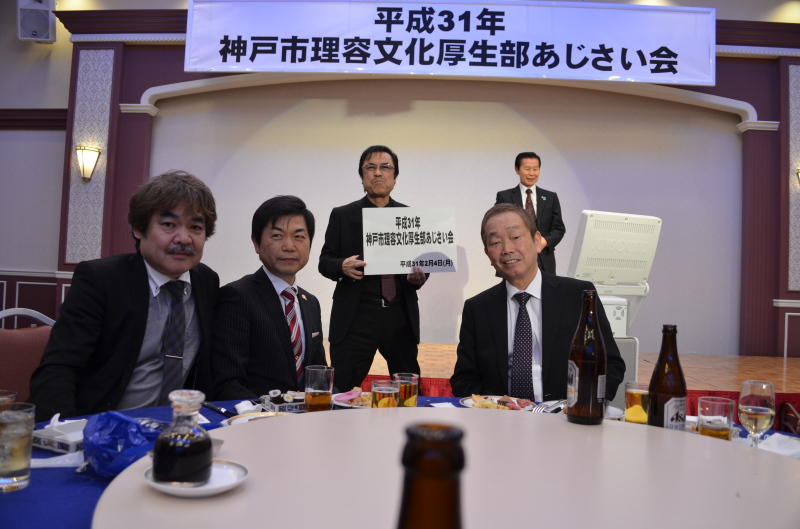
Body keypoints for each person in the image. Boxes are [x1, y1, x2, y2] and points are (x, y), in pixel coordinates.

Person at [29, 170, 219, 422]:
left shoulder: (206, 281)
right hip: (106, 426)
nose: (184, 238)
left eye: (195, 227)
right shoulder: (101, 280)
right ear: (139, 229)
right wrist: (68, 435)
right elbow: (58, 369)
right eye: (168, 225)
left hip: (180, 426)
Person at [450, 203, 624, 401]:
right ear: (487, 254)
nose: (507, 249)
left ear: (537, 241)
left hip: (566, 415)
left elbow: (610, 364)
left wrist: (582, 407)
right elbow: (464, 378)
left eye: (515, 237)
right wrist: (493, 405)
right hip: (501, 416)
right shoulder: (477, 309)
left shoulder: (578, 295)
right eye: (496, 242)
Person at [319, 145, 427, 392]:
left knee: (408, 391)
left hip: (399, 315)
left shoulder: (410, 217)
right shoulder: (342, 215)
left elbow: (422, 265)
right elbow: (325, 261)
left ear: (395, 177)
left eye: (385, 167)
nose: (378, 173)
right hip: (356, 315)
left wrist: (419, 278)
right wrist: (341, 266)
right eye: (371, 167)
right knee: (342, 390)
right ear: (362, 176)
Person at [212, 196, 326, 399]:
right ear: (256, 243)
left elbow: (318, 376)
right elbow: (228, 382)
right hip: (257, 415)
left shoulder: (311, 302)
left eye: (299, 236)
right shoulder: (238, 296)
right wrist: (269, 414)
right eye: (277, 235)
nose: (289, 246)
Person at [495, 152, 565, 274]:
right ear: (517, 170)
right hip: (513, 257)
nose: (532, 173)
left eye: (535, 169)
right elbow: (498, 227)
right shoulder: (504, 196)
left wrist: (544, 241)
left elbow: (558, 228)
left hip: (543, 259)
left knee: (546, 286)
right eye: (527, 169)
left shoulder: (550, 197)